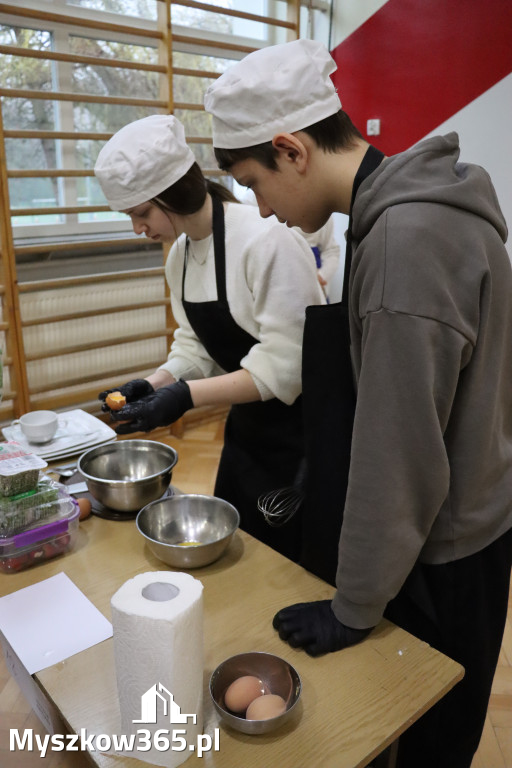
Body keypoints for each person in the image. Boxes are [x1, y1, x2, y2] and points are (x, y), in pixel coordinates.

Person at [204, 38, 512, 768]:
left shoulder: (406, 240)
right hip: (475, 514)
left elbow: (399, 453)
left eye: (255, 182)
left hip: (449, 548)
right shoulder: (417, 213)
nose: (263, 210)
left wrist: (355, 605)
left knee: (428, 739)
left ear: (291, 149)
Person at [93, 113, 324, 561]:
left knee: (291, 563)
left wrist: (186, 396)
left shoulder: (265, 242)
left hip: (304, 437)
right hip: (248, 431)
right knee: (243, 552)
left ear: (173, 194)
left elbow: (288, 365)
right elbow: (194, 345)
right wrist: (154, 384)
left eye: (142, 213)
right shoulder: (179, 256)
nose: (138, 228)